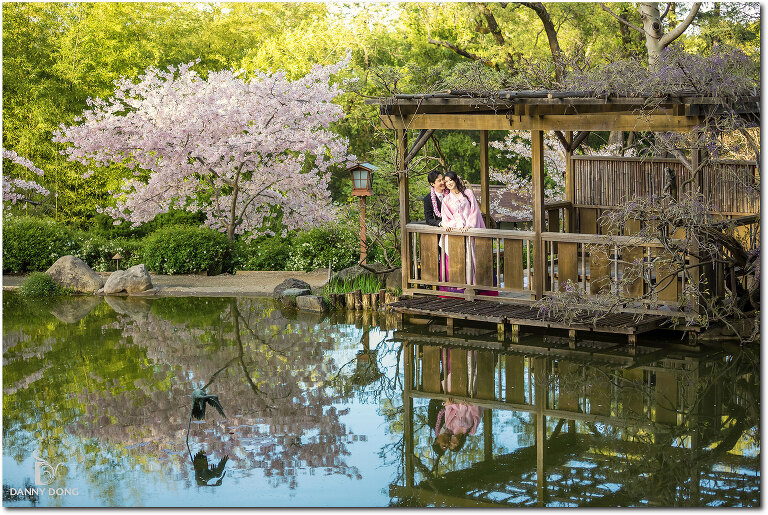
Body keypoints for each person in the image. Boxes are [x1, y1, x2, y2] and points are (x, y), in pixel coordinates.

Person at [440, 171, 497, 295]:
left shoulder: (468, 193)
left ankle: (476, 285)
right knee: (460, 258)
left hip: (470, 230)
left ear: (456, 180)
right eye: (447, 181)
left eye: (451, 180)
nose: (449, 183)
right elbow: (446, 218)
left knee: (473, 257)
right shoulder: (446, 199)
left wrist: (469, 225)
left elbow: (475, 211)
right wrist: (457, 225)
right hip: (458, 232)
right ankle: (461, 286)